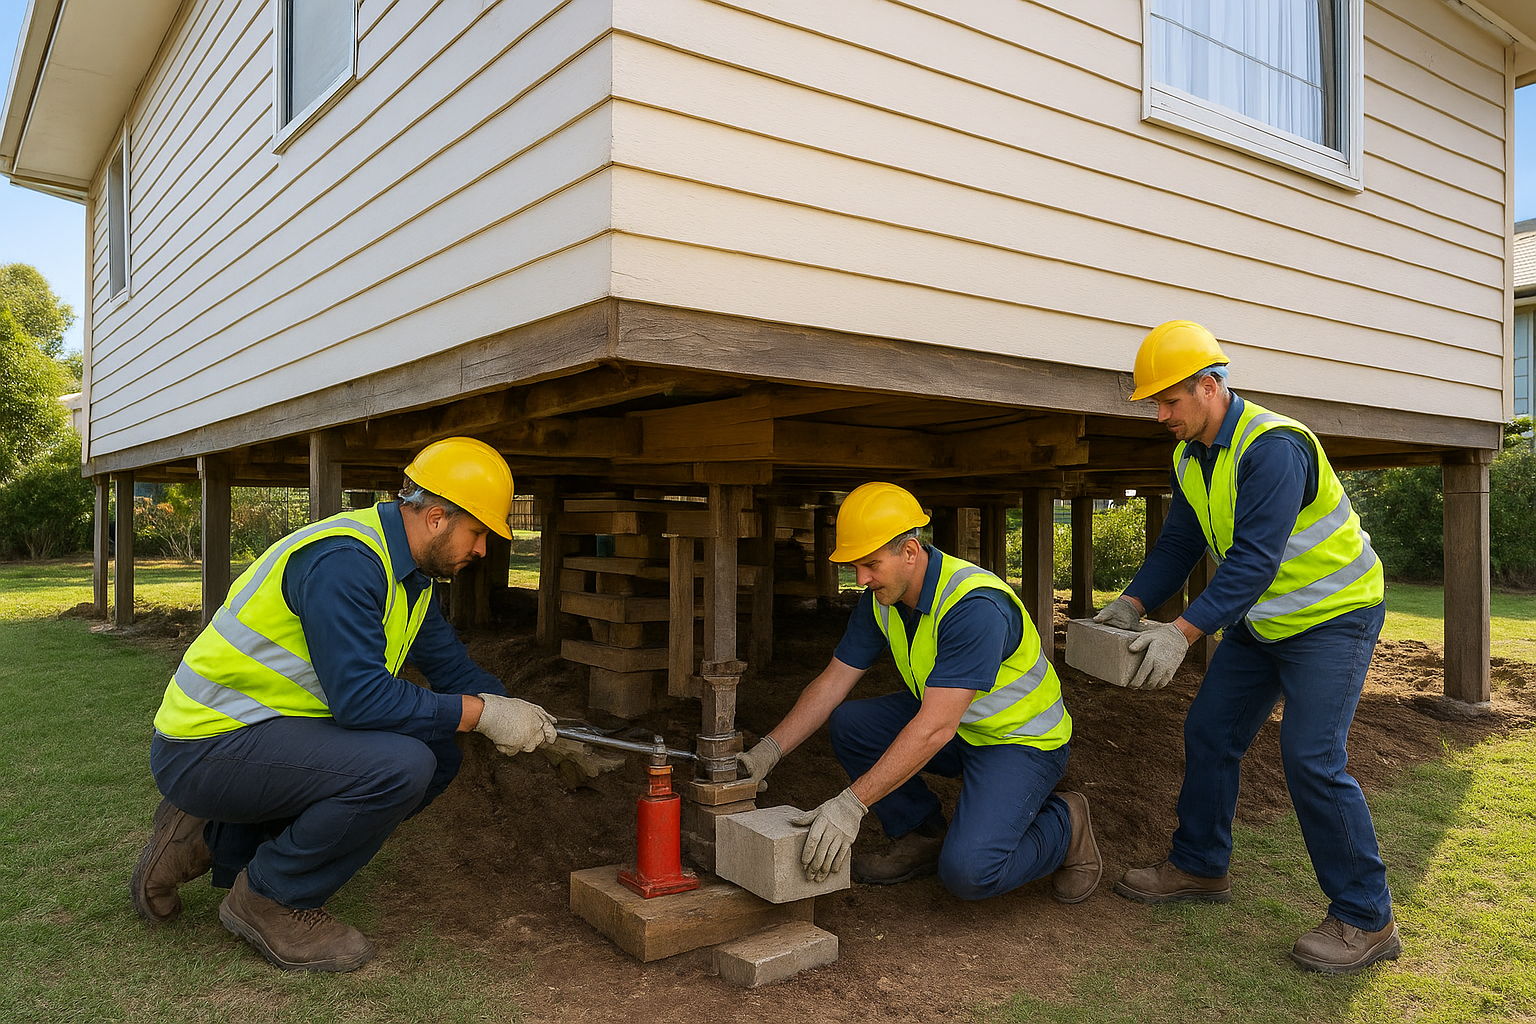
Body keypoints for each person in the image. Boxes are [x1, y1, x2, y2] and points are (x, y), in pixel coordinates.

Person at [130, 436, 559, 973]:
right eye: (478, 533)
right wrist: (481, 715)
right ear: (437, 517)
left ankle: (213, 833)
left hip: (259, 735)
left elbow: (453, 670)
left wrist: (520, 711)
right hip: (204, 747)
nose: (482, 551)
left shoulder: (408, 576)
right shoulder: (347, 564)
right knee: (402, 766)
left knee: (439, 753)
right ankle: (269, 897)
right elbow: (361, 700)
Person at [1096, 320, 1399, 974]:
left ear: (1210, 387)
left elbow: (1255, 561)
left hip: (1334, 616)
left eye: (1170, 401)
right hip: (1263, 622)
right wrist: (1135, 602)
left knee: (1311, 756)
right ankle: (1201, 867)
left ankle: (1367, 918)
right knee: (1209, 732)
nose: (1160, 415)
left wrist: (1182, 633)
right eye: (1154, 403)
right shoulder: (1189, 456)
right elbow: (1181, 544)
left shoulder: (1273, 448)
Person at [736, 482, 1100, 904]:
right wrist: (768, 751)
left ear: (910, 551)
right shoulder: (882, 599)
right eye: (855, 566)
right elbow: (832, 682)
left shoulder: (973, 606)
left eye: (870, 564)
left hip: (1019, 742)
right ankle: (921, 834)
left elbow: (933, 728)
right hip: (957, 726)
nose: (861, 579)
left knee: (969, 872)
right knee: (852, 724)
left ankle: (1066, 825)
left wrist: (851, 805)